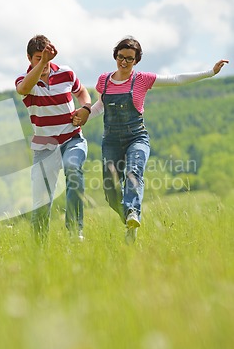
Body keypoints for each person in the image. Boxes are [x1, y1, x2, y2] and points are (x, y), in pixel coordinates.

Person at [73, 36, 229, 244]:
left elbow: (176, 79)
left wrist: (210, 72)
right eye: (121, 57)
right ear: (115, 56)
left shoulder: (142, 79)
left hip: (136, 137)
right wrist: (83, 117)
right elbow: (102, 106)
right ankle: (128, 221)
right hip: (110, 140)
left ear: (136, 60)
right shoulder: (104, 80)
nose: (124, 62)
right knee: (110, 192)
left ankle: (132, 213)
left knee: (134, 171)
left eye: (129, 58)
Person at [15, 35, 92, 243]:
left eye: (47, 58)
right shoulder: (25, 81)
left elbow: (82, 92)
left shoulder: (66, 73)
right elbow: (23, 89)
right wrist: (42, 64)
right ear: (29, 58)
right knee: (41, 204)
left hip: (72, 139)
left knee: (73, 168)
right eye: (38, 58)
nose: (44, 62)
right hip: (44, 147)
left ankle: (75, 233)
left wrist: (85, 108)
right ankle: (38, 251)